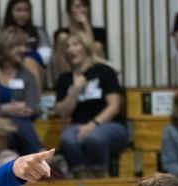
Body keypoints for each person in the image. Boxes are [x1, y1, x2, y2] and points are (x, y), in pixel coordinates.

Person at [53, 33, 128, 178]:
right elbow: (63, 112)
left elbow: (114, 107)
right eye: (68, 46)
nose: (71, 50)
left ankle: (101, 176)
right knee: (67, 139)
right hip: (78, 126)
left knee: (95, 138)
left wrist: (92, 125)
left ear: (85, 48)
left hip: (110, 125)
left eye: (76, 45)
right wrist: (74, 90)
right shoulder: (65, 79)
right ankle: (81, 178)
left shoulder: (104, 71)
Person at [0, 30, 43, 155]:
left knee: (15, 123)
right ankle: (38, 152)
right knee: (15, 123)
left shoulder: (26, 75)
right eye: (18, 46)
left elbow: (34, 105)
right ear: (5, 47)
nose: (23, 50)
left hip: (18, 124)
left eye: (25, 46)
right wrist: (2, 109)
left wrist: (27, 109)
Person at [0, 0, 51, 91]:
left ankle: (33, 102)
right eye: (18, 10)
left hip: (32, 70)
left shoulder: (38, 32)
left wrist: (20, 57)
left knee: (29, 62)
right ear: (10, 12)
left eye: (26, 10)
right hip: (5, 70)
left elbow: (46, 57)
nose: (22, 14)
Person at [53, 0, 108, 80]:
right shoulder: (61, 33)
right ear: (69, 11)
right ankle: (66, 81)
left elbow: (93, 53)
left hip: (93, 72)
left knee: (97, 45)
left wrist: (86, 25)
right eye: (77, 7)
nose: (82, 10)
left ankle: (91, 79)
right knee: (62, 37)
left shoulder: (99, 32)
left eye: (85, 6)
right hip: (69, 73)